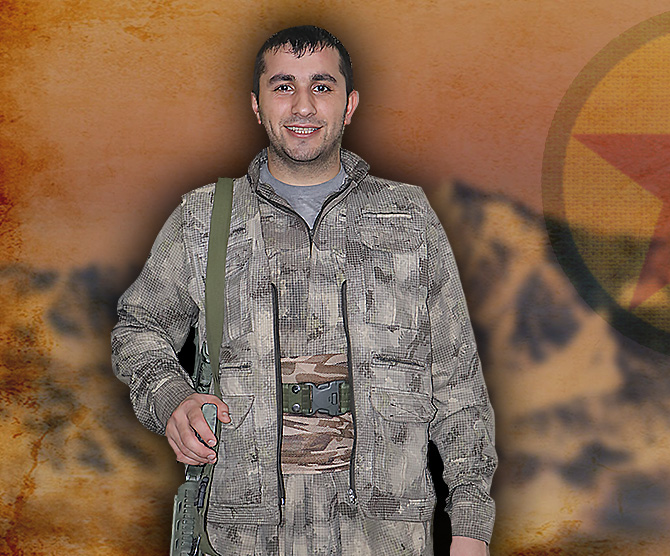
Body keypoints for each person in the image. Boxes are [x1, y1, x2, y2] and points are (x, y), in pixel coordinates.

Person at [111, 25, 496, 555]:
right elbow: (139, 329)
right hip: (246, 538)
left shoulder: (408, 217)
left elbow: (458, 382)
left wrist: (471, 526)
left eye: (321, 86)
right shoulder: (204, 219)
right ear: (256, 104)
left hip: (383, 538)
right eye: (283, 86)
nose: (303, 106)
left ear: (349, 104)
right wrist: (171, 398)